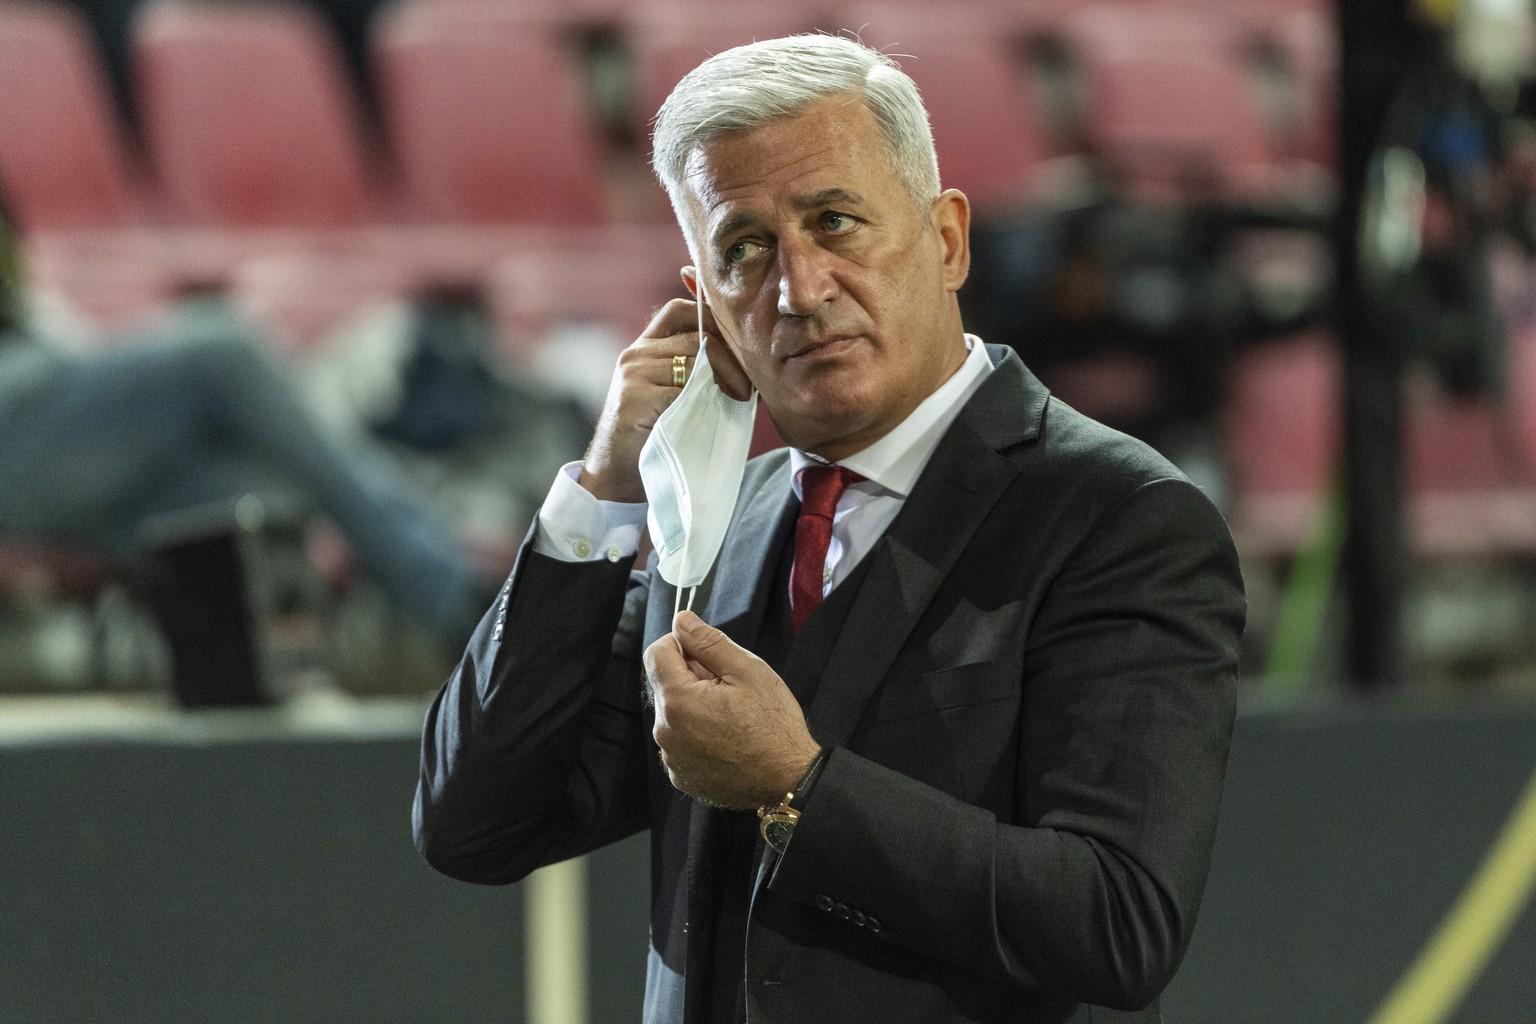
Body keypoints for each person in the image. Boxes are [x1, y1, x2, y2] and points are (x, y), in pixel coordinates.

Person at [414, 34, 1245, 1024]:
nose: (798, 290)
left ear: (945, 238)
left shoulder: (1121, 518)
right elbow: (477, 823)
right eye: (745, 248)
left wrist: (795, 786)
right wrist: (602, 491)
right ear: (704, 304)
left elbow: (1119, 920)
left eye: (835, 222)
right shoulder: (710, 525)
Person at [0, 211, 493, 650]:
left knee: (259, 491)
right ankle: (453, 595)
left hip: (45, 405)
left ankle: (458, 600)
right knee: (225, 349)